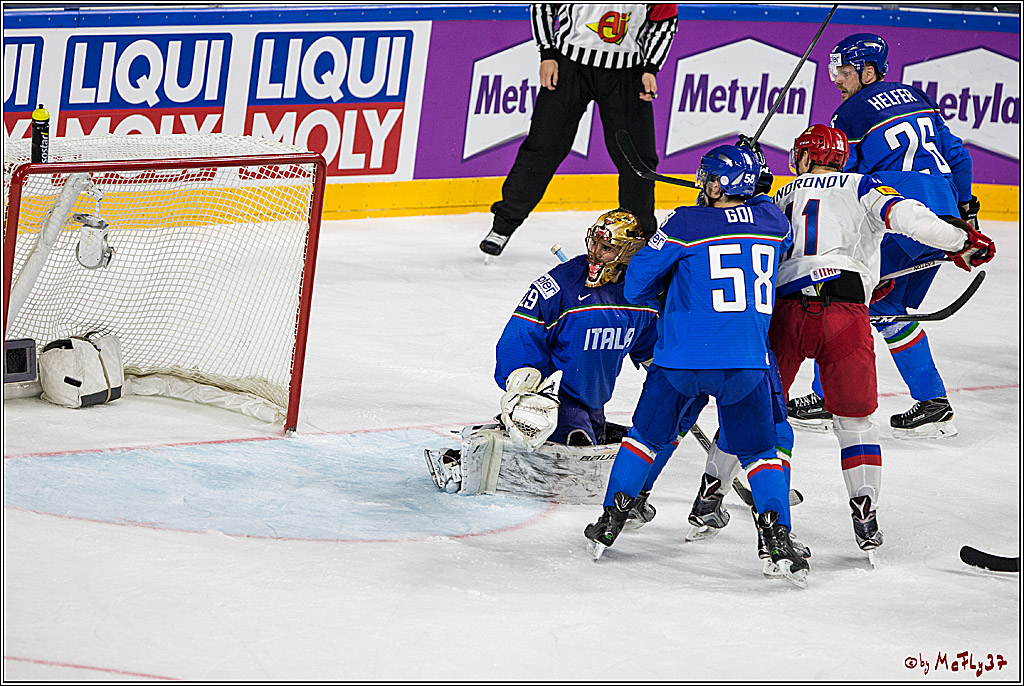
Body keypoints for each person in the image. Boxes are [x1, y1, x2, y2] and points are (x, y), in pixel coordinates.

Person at [582, 145, 809, 587]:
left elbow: (636, 284)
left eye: (708, 178)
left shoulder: (685, 222)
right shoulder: (773, 221)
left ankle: (612, 518)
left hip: (680, 361)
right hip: (745, 364)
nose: (702, 184)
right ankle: (777, 538)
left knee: (644, 439)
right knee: (761, 455)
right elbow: (755, 210)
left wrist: (668, 293)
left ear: (719, 184)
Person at [769, 124, 994, 557]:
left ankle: (713, 496)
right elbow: (910, 218)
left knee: (760, 409)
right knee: (855, 422)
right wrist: (961, 241)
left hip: (788, 316)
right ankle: (865, 512)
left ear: (804, 156)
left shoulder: (779, 198)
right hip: (846, 314)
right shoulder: (860, 185)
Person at [788, 32, 985, 438]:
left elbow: (844, 180)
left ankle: (827, 400)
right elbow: (958, 157)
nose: (837, 80)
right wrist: (964, 215)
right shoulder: (918, 97)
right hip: (944, 216)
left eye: (844, 71)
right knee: (889, 308)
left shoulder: (850, 113)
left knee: (845, 299)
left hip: (904, 218)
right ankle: (932, 403)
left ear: (868, 71)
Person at [426, 209, 668, 508]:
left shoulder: (643, 294)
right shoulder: (561, 284)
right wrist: (521, 378)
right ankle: (477, 455)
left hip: (594, 400)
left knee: (588, 454)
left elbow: (647, 343)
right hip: (553, 401)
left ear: (628, 252)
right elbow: (522, 332)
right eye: (594, 243)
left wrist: (666, 371)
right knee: (569, 472)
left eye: (606, 248)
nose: (595, 253)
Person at [479, 4, 678, 256]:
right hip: (569, 67)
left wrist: (650, 67)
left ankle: (639, 242)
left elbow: (665, 20)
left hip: (627, 73)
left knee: (637, 161)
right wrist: (547, 53)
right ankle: (503, 225)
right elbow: (543, 6)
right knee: (542, 148)